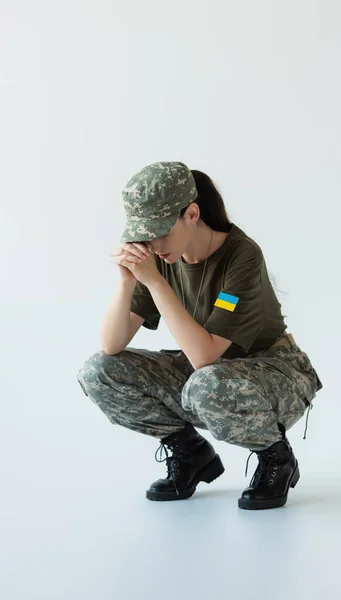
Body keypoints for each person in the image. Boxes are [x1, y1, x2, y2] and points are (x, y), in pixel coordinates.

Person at [77, 161, 323, 510]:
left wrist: (155, 282)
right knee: (98, 371)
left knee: (205, 382)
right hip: (208, 374)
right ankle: (191, 454)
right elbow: (111, 345)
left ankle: (276, 458)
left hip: (275, 372)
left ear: (191, 214)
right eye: (144, 234)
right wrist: (127, 280)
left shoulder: (242, 255)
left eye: (161, 231)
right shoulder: (159, 257)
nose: (153, 243)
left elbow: (206, 356)